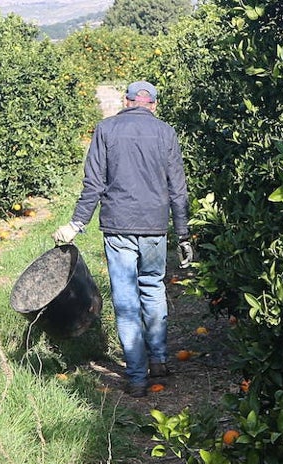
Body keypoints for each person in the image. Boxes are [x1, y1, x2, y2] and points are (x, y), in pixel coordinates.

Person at [53, 80, 192, 397]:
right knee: (153, 289)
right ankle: (157, 361)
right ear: (153, 105)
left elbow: (93, 184)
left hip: (118, 227)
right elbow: (178, 189)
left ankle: (136, 379)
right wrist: (183, 233)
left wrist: (77, 224)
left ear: (126, 102)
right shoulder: (166, 133)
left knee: (127, 301)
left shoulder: (106, 129)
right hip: (155, 226)